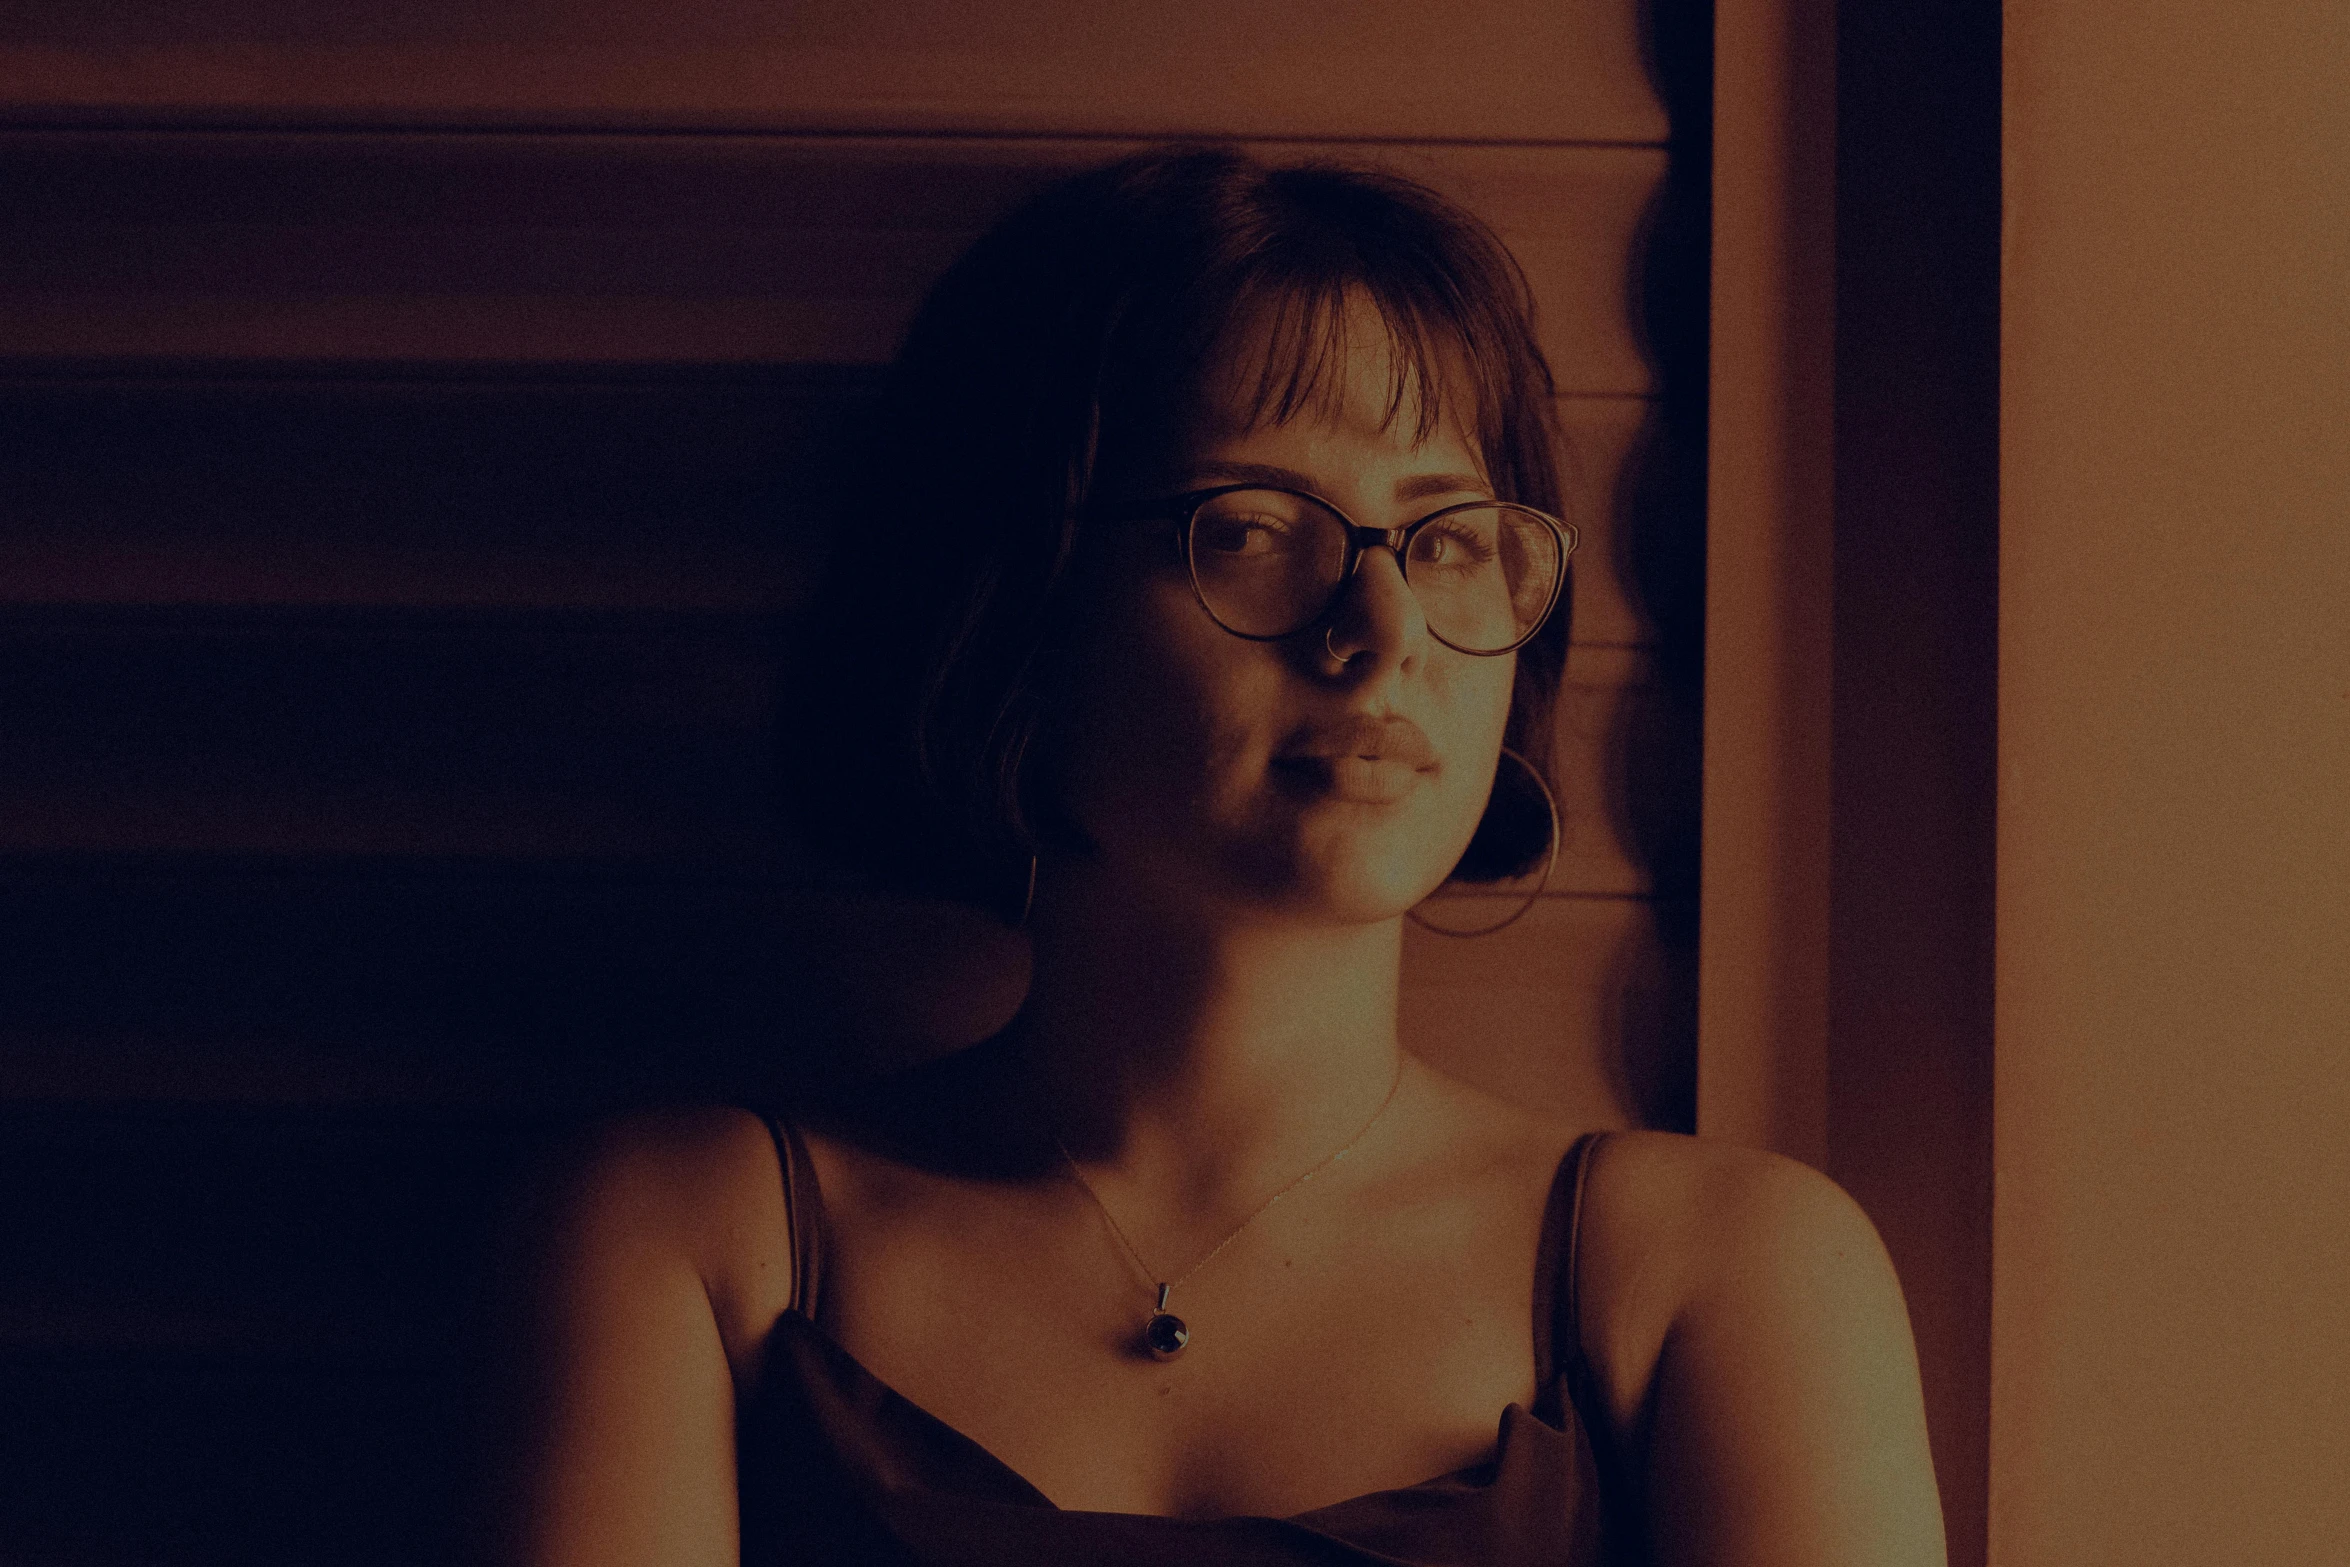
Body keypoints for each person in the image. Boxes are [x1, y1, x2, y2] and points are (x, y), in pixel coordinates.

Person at [485, 148, 1946, 1565]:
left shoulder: (1723, 1276)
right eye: (1250, 528)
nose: (1379, 633)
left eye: (1443, 537)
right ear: (1019, 601)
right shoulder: (685, 1234)